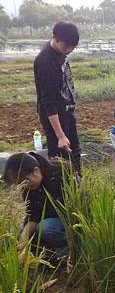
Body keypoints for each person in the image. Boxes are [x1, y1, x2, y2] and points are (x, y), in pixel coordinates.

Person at [2, 152, 77, 267]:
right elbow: (33, 214)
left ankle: (66, 256)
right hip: (48, 219)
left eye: (26, 181)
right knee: (16, 233)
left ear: (36, 171)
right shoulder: (28, 187)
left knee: (45, 227)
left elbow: (72, 210)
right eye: (21, 183)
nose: (25, 186)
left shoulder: (59, 176)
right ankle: (39, 256)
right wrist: (24, 237)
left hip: (71, 218)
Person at [34, 22, 82, 173]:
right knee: (60, 158)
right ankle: (61, 191)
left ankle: (77, 186)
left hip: (66, 112)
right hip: (55, 117)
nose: (69, 50)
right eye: (66, 46)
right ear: (55, 38)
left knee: (74, 153)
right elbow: (48, 101)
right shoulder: (45, 62)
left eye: (72, 47)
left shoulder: (60, 52)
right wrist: (60, 135)